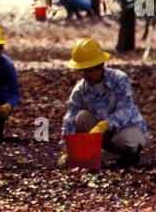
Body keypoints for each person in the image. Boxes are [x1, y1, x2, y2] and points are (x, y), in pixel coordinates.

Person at [60, 38, 148, 169]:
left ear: (100, 66)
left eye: (89, 71)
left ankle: (130, 158)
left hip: (126, 128)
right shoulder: (80, 90)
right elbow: (70, 119)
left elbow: (125, 109)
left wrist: (106, 125)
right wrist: (66, 147)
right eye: (82, 71)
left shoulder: (119, 79)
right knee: (81, 116)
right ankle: (95, 159)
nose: (85, 75)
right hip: (97, 136)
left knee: (128, 143)